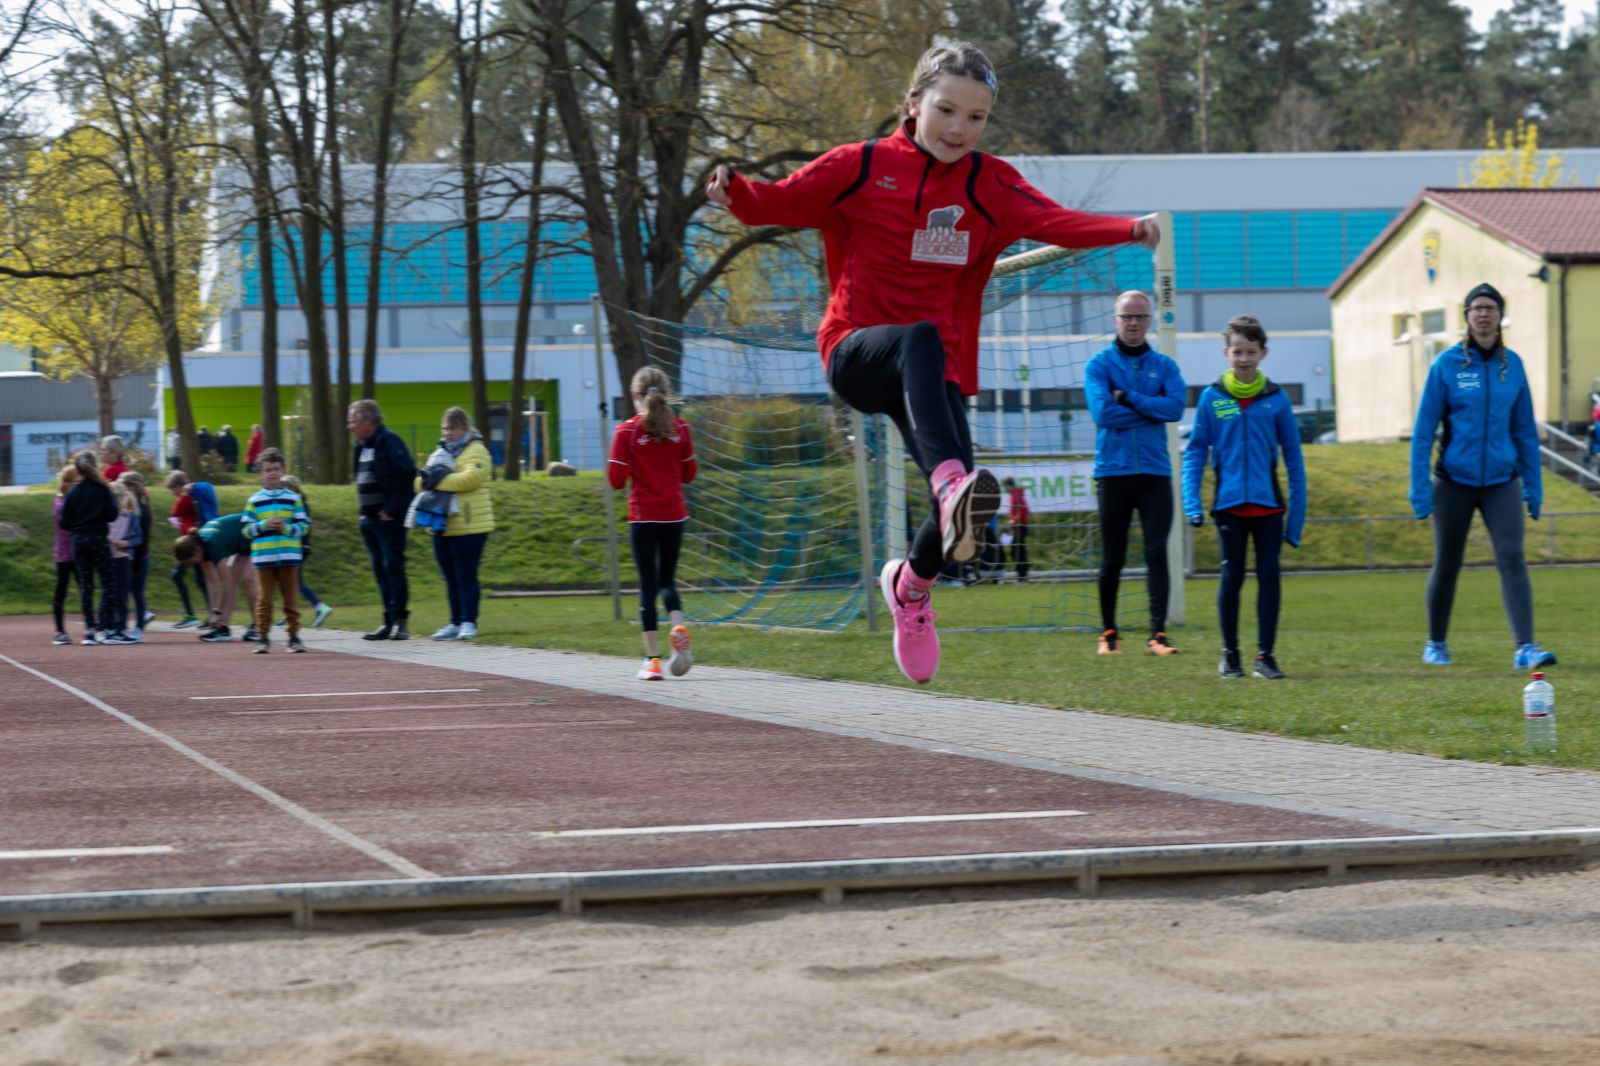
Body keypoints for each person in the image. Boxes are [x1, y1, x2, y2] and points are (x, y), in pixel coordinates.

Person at [706, 41, 1158, 684]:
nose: (958, 129)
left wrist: (1124, 229)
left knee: (959, 519)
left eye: (976, 118)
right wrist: (736, 194)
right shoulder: (860, 165)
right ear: (913, 104)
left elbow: (1052, 219)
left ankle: (912, 589)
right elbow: (779, 201)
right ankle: (948, 487)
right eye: (946, 110)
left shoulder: (988, 182)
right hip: (857, 351)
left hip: (933, 372)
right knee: (922, 354)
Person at [1409, 283, 1554, 670]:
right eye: (1476, 308)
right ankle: (1436, 643)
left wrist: (1533, 487)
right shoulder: (1446, 365)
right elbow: (1424, 431)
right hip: (1453, 481)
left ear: (1499, 316)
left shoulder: (1514, 366)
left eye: (1490, 308)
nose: (1483, 315)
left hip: (1501, 483)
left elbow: (1524, 431)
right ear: (1467, 316)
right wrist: (1419, 489)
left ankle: (1526, 647)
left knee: (1512, 557)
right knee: (1447, 562)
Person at [1182, 314, 1306, 680]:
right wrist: (1193, 503)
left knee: (1270, 577)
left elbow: (1294, 460)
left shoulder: (1277, 400)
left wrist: (1295, 519)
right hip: (1229, 508)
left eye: (1251, 352)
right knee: (1230, 578)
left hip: (1269, 507)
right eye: (1237, 351)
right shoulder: (1212, 398)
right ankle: (1230, 655)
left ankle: (1265, 657)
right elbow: (1194, 454)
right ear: (1226, 353)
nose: (1244, 358)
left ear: (1263, 353)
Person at [1086, 290, 1188, 657]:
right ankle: (1109, 632)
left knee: (1156, 551)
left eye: (1140, 317)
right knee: (1112, 556)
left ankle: (1157, 634)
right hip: (1113, 472)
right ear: (1115, 320)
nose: (1133, 324)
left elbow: (1175, 408)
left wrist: (1128, 398)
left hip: (1155, 473)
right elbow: (1102, 415)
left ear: (1150, 321)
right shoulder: (1098, 366)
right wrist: (1151, 409)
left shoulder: (1165, 366)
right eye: (1126, 317)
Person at [608, 366, 697, 680]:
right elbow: (689, 474)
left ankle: (653, 660)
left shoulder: (626, 431)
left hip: (644, 516)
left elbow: (616, 480)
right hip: (674, 514)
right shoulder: (681, 428)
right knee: (667, 582)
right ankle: (678, 627)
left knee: (647, 586)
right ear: (666, 393)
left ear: (635, 396)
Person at [412, 406, 495, 641]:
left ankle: (469, 621)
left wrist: (435, 481)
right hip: (443, 524)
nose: (448, 433)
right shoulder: (440, 451)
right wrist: (430, 481)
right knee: (449, 576)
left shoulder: (476, 450)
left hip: (470, 524)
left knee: (466, 574)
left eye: (453, 428)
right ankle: (455, 621)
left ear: (464, 428)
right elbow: (418, 483)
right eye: (445, 428)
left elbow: (470, 479)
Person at [348, 398, 418, 640]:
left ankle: (400, 621)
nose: (350, 426)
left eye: (353, 420)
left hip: (389, 519)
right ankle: (388, 620)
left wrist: (392, 508)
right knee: (380, 569)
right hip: (369, 519)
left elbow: (407, 475)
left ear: (369, 420)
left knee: (393, 567)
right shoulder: (361, 446)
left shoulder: (390, 442)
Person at [243, 448, 309, 653]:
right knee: (264, 600)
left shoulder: (293, 499)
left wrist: (287, 528)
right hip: (264, 558)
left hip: (289, 558)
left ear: (283, 471)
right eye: (268, 469)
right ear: (260, 473)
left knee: (290, 599)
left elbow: (304, 526)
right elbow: (245, 530)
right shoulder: (254, 501)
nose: (272, 473)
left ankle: (294, 637)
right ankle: (262, 638)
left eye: (276, 469)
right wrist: (263, 525)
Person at [59, 452, 126, 645]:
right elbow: (112, 515)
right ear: (94, 466)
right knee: (108, 582)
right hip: (98, 537)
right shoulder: (103, 488)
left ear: (77, 469)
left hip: (78, 540)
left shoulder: (72, 492)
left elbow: (63, 522)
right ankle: (109, 628)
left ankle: (90, 630)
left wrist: (78, 526)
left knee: (86, 585)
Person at [174, 512, 259, 642]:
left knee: (247, 578)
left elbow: (227, 585)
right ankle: (223, 629)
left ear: (197, 551)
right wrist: (213, 613)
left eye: (191, 561)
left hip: (254, 532)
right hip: (240, 541)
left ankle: (258, 626)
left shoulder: (213, 546)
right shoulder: (199, 546)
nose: (193, 564)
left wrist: (217, 613)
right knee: (234, 579)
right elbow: (211, 582)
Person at [278, 475, 333, 628]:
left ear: (293, 488)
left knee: (294, 581)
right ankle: (288, 615)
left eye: (284, 486)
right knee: (291, 581)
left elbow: (299, 528)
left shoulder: (296, 503)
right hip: (301, 547)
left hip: (298, 547)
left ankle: (320, 607)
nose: (281, 489)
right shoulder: (301, 502)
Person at [164, 471, 207, 627]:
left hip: (190, 545)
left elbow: (173, 515)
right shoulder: (192, 497)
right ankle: (208, 614)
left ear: (178, 486)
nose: (172, 493)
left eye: (172, 489)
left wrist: (178, 523)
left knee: (185, 577)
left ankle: (192, 614)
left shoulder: (185, 497)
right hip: (192, 542)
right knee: (200, 579)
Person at [119, 470, 155, 637]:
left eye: (124, 487)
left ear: (132, 487)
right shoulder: (132, 507)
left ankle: (139, 627)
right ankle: (124, 626)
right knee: (127, 591)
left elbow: (142, 540)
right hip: (133, 556)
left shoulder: (140, 510)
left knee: (136, 592)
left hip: (139, 557)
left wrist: (136, 563)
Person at [49, 463, 81, 645]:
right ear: (68, 483)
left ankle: (92, 627)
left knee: (85, 589)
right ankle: (59, 631)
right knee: (61, 591)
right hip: (64, 554)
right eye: (75, 483)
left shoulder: (74, 500)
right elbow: (64, 524)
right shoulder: (60, 502)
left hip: (78, 553)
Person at [106, 481, 139, 642]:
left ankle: (121, 627)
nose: (116, 502)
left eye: (118, 498)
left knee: (123, 595)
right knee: (108, 593)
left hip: (124, 558)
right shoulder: (104, 516)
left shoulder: (129, 516)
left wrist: (126, 543)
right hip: (107, 558)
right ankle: (107, 627)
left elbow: (138, 537)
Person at [1002, 476, 1030, 583]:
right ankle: (1022, 576)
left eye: (1005, 487)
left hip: (1020, 526)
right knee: (1018, 551)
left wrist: (1012, 522)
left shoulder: (1016, 496)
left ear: (1009, 486)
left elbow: (1019, 513)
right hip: (1019, 526)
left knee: (1017, 552)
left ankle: (1022, 576)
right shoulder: (1015, 495)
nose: (1005, 489)